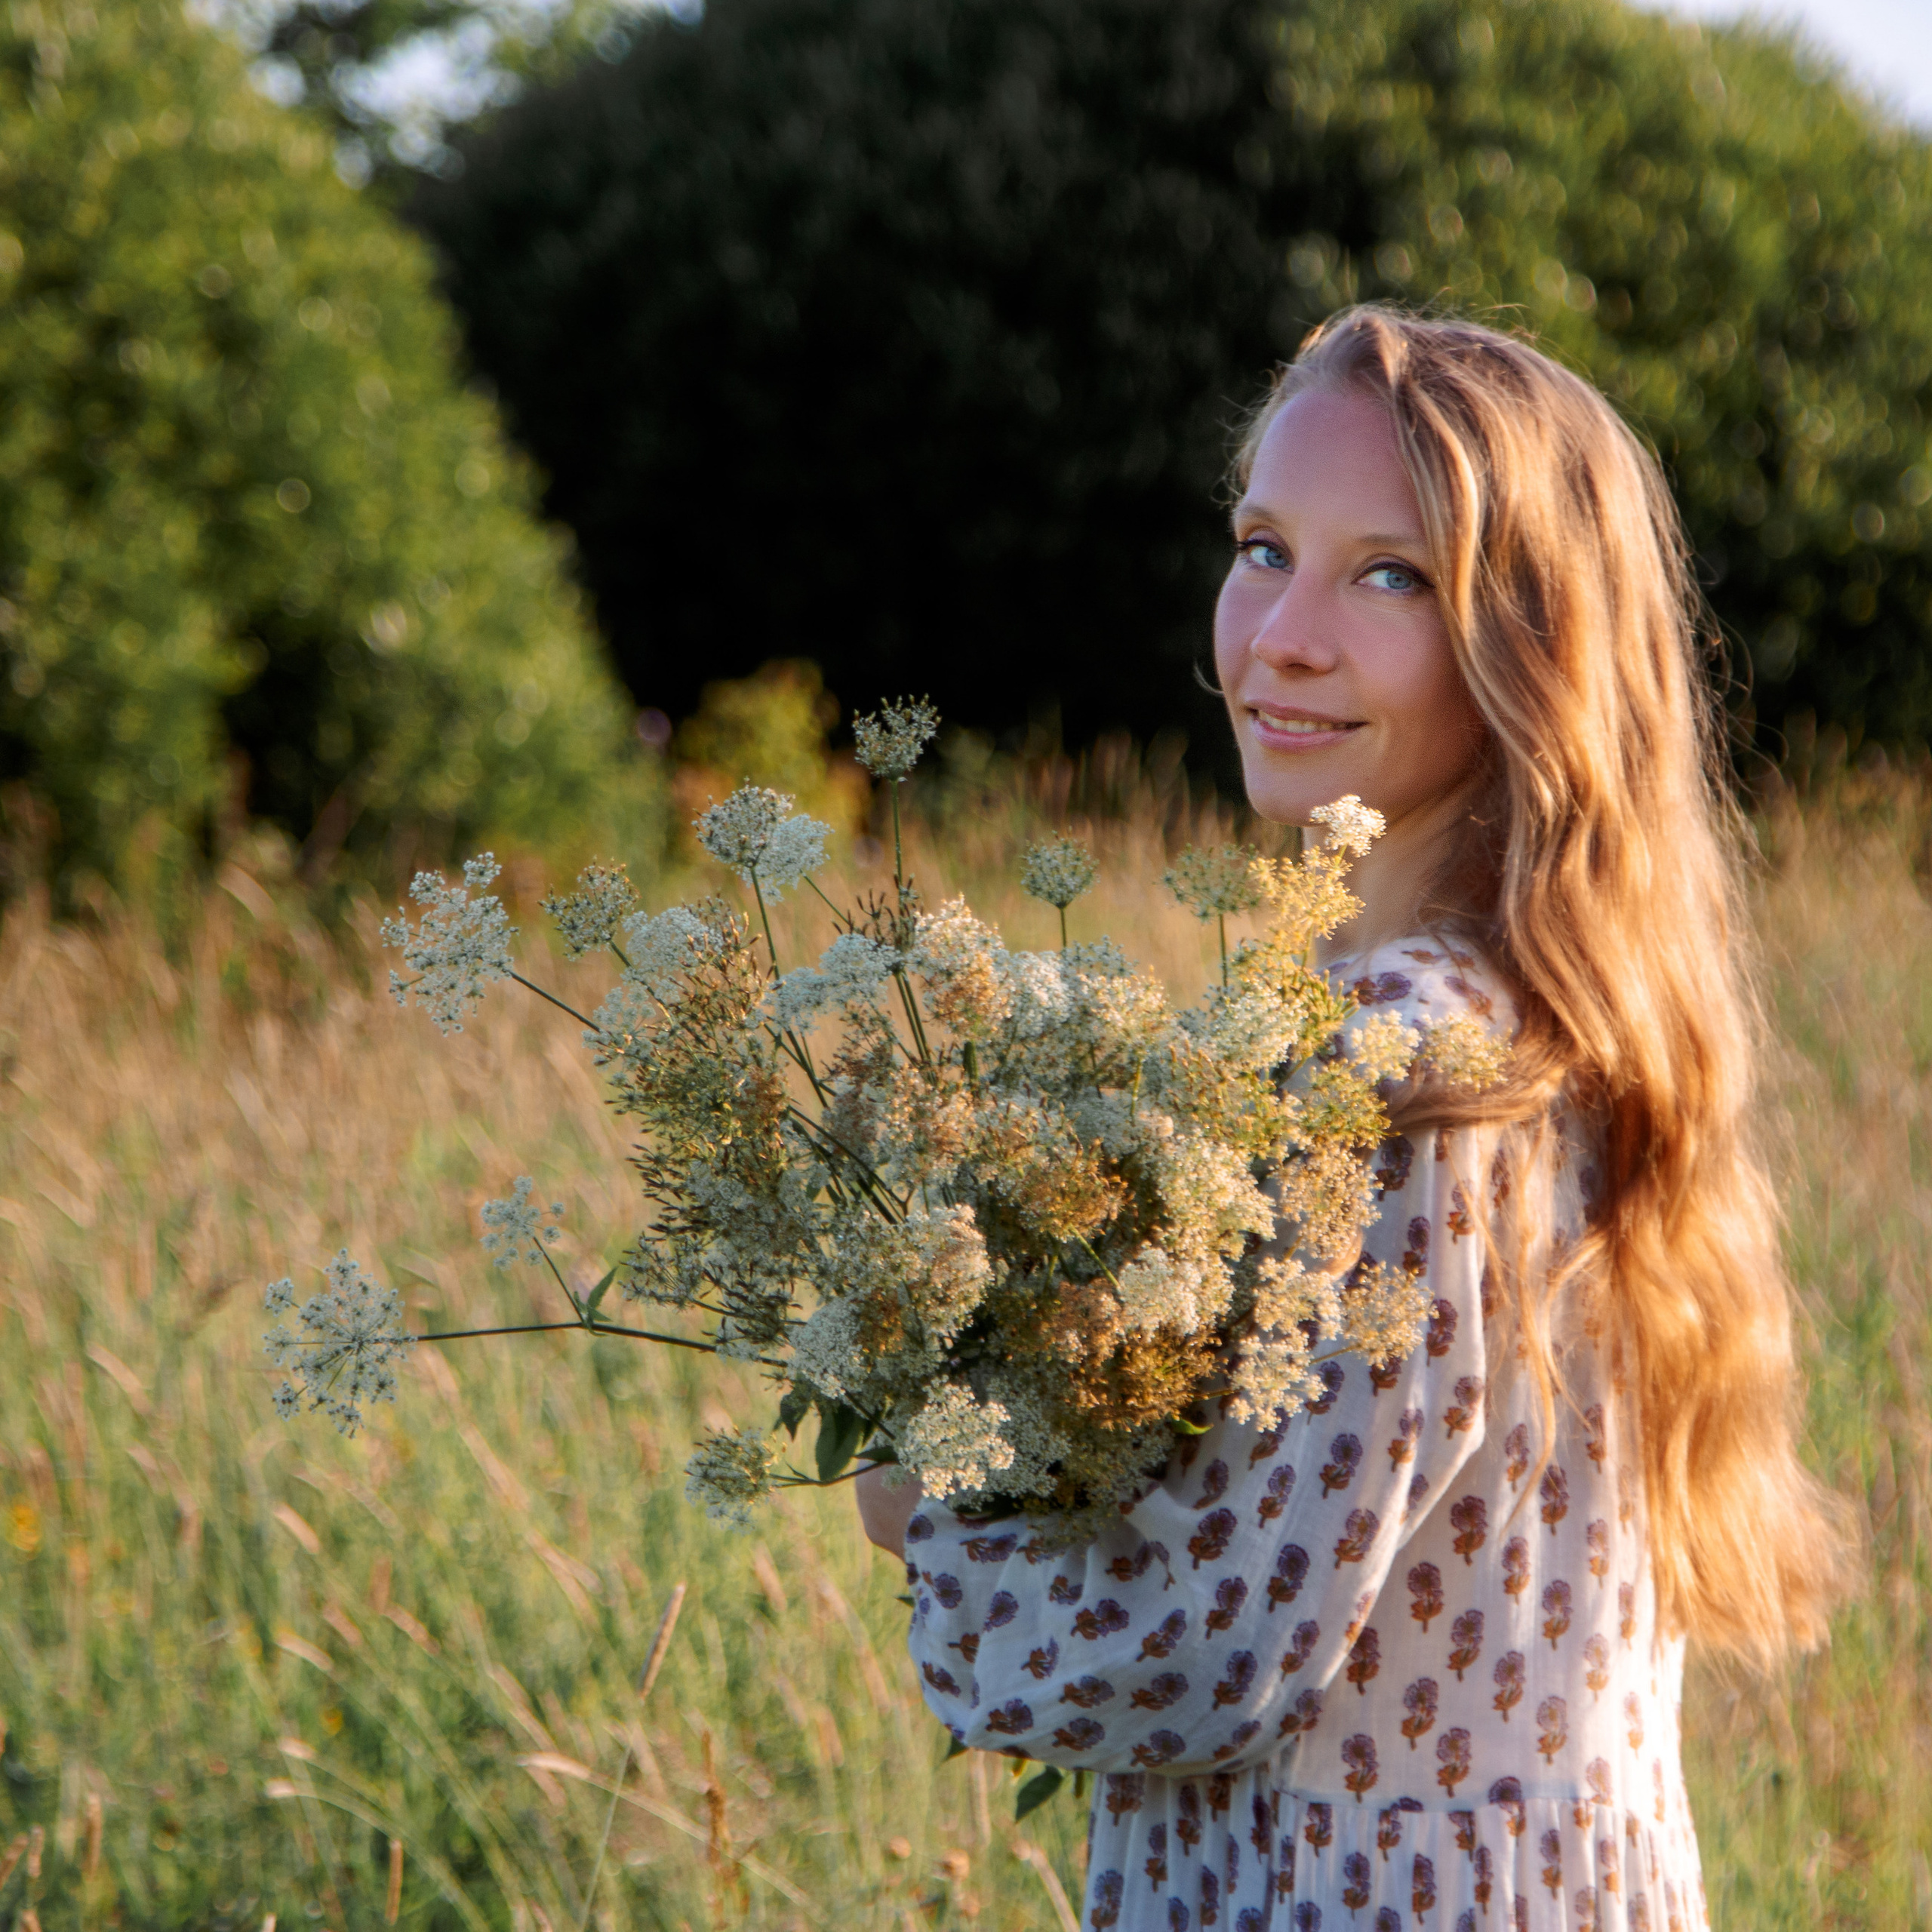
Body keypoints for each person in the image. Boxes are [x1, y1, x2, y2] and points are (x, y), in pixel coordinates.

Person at [855, 306, 1850, 1930]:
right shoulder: (1513, 1018)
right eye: (1262, 548)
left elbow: (1217, 1644)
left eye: (1387, 575)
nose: (1282, 633)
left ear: (1529, 644)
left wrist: (934, 1512)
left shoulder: (1413, 1069)